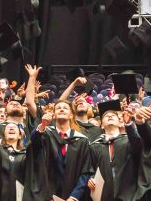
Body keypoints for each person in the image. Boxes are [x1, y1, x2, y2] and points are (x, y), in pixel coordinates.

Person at [23, 64, 92, 201]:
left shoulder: (81, 139)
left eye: (65, 109)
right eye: (58, 108)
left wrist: (74, 197)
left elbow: (85, 171)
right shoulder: (45, 131)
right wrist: (32, 77)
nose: (61, 109)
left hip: (71, 195)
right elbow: (30, 103)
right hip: (45, 195)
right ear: (53, 114)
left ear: (71, 115)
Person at [86, 104, 141, 201]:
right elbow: (91, 168)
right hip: (104, 194)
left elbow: (138, 146)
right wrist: (91, 178)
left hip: (129, 194)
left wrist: (129, 124)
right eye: (106, 116)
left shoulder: (129, 140)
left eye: (113, 116)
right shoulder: (94, 146)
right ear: (102, 126)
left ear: (120, 123)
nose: (110, 116)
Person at [0, 121, 25, 201]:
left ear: (19, 136)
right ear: (3, 135)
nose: (11, 128)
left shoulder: (25, 154)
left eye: (14, 128)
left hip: (18, 194)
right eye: (8, 128)